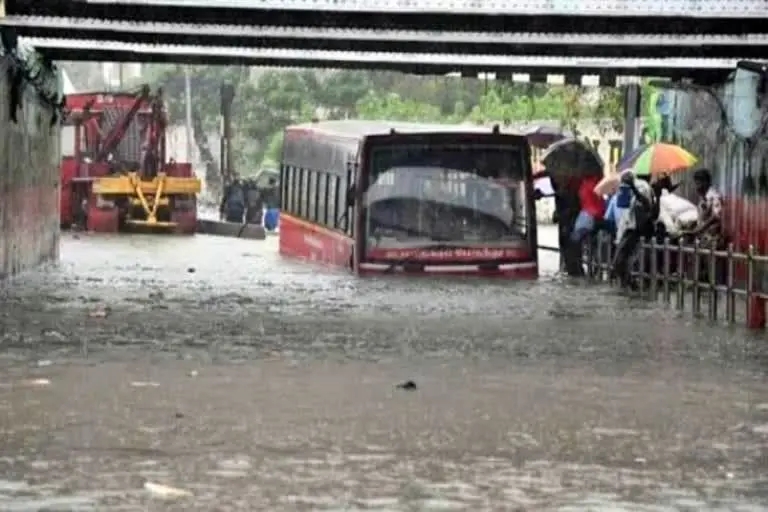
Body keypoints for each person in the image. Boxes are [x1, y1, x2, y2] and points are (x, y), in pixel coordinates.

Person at [612, 169, 657, 289]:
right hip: (629, 227)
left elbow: (647, 204)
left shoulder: (642, 187)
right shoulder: (626, 187)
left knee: (620, 261)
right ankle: (629, 286)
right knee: (621, 261)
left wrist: (633, 187)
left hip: (637, 229)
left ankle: (631, 285)